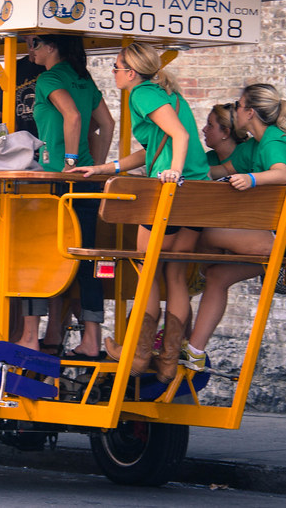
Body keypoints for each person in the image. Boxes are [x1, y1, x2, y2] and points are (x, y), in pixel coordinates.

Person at [72, 41, 209, 382]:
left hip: (169, 193)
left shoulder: (142, 94)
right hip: (196, 194)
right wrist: (106, 168)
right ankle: (166, 361)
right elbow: (151, 150)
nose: (113, 73)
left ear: (131, 72)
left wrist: (173, 173)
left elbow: (178, 136)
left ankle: (137, 353)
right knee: (175, 275)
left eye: (116, 68)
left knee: (146, 270)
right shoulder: (168, 95)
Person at [182, 83, 286, 371]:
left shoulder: (275, 140)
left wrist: (252, 180)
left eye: (239, 106)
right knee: (218, 276)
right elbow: (217, 171)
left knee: (202, 233)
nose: (235, 111)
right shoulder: (252, 146)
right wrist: (178, 171)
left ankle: (197, 273)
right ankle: (194, 351)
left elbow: (279, 174)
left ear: (250, 112)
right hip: (272, 235)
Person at [17, 34, 114, 359]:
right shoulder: (82, 77)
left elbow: (72, 116)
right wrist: (95, 167)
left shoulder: (49, 78)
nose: (31, 50)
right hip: (85, 182)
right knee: (86, 258)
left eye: (35, 44)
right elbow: (107, 123)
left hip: (57, 179)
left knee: (35, 253)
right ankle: (91, 339)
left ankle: (30, 336)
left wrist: (70, 161)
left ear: (51, 46)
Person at [0, 47, 46, 135]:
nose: (33, 45)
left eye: (37, 40)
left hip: (46, 142)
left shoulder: (52, 69)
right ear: (25, 37)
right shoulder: (14, 69)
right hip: (19, 144)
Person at [203, 102, 248, 175]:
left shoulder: (245, 154)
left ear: (226, 132)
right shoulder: (208, 158)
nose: (204, 129)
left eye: (210, 125)